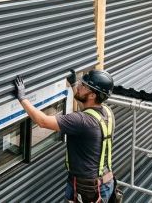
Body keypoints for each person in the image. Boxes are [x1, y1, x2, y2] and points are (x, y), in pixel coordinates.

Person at [13, 69, 117, 202]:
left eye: (83, 86)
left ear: (92, 96)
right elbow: (85, 108)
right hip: (106, 183)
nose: (79, 86)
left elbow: (43, 121)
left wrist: (22, 98)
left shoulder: (81, 120)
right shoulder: (106, 112)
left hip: (87, 190)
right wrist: (73, 84)